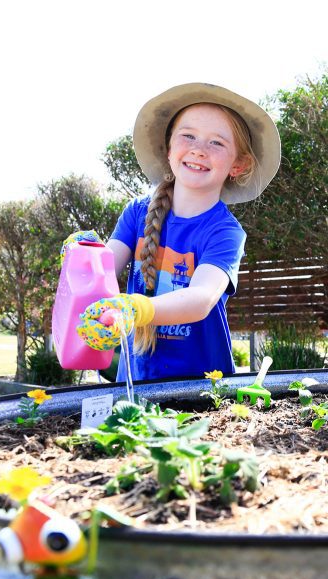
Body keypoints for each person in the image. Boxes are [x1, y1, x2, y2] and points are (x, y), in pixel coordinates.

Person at [70, 83, 280, 380]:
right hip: (134, 382)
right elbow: (103, 271)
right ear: (168, 148)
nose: (198, 149)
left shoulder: (225, 232)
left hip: (202, 391)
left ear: (238, 164)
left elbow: (201, 298)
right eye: (188, 136)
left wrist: (134, 307)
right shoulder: (137, 213)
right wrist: (82, 259)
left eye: (217, 143)